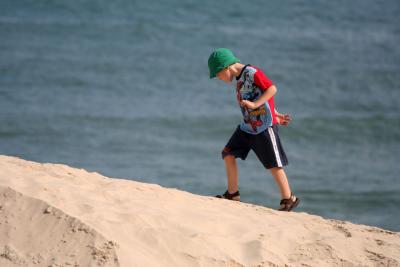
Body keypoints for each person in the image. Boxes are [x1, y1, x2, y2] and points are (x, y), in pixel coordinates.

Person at [208, 48, 300, 211]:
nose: (219, 78)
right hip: (247, 127)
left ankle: (288, 198)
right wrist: (275, 113)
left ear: (226, 67)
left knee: (273, 163)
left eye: (218, 75)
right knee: (228, 153)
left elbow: (271, 89)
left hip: (263, 127)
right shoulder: (240, 79)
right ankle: (232, 194)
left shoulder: (252, 72)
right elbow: (261, 95)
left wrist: (259, 107)